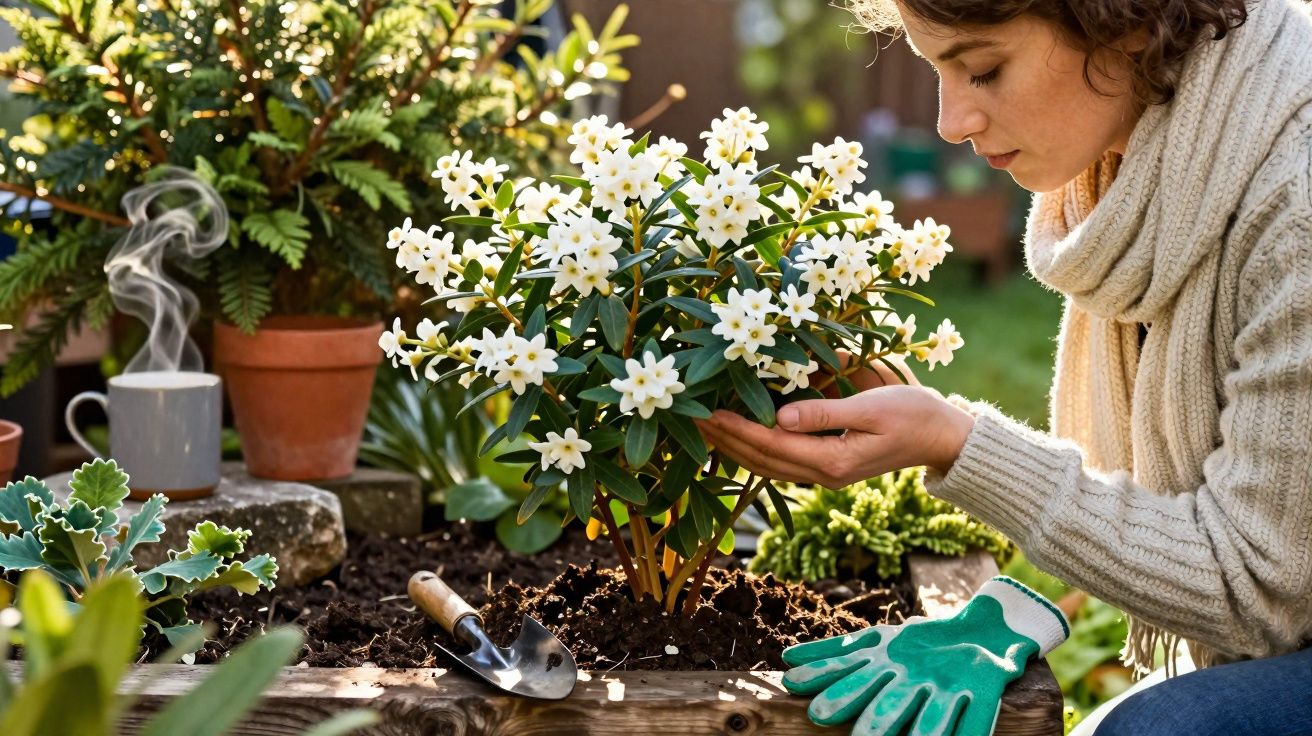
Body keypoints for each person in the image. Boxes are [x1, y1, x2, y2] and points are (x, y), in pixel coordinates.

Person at [695, 0, 1312, 732]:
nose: (951, 122)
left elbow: (1260, 589)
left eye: (983, 70)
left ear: (1129, 23)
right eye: (938, 72)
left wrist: (957, 443)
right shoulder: (1158, 160)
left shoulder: (1292, 204)